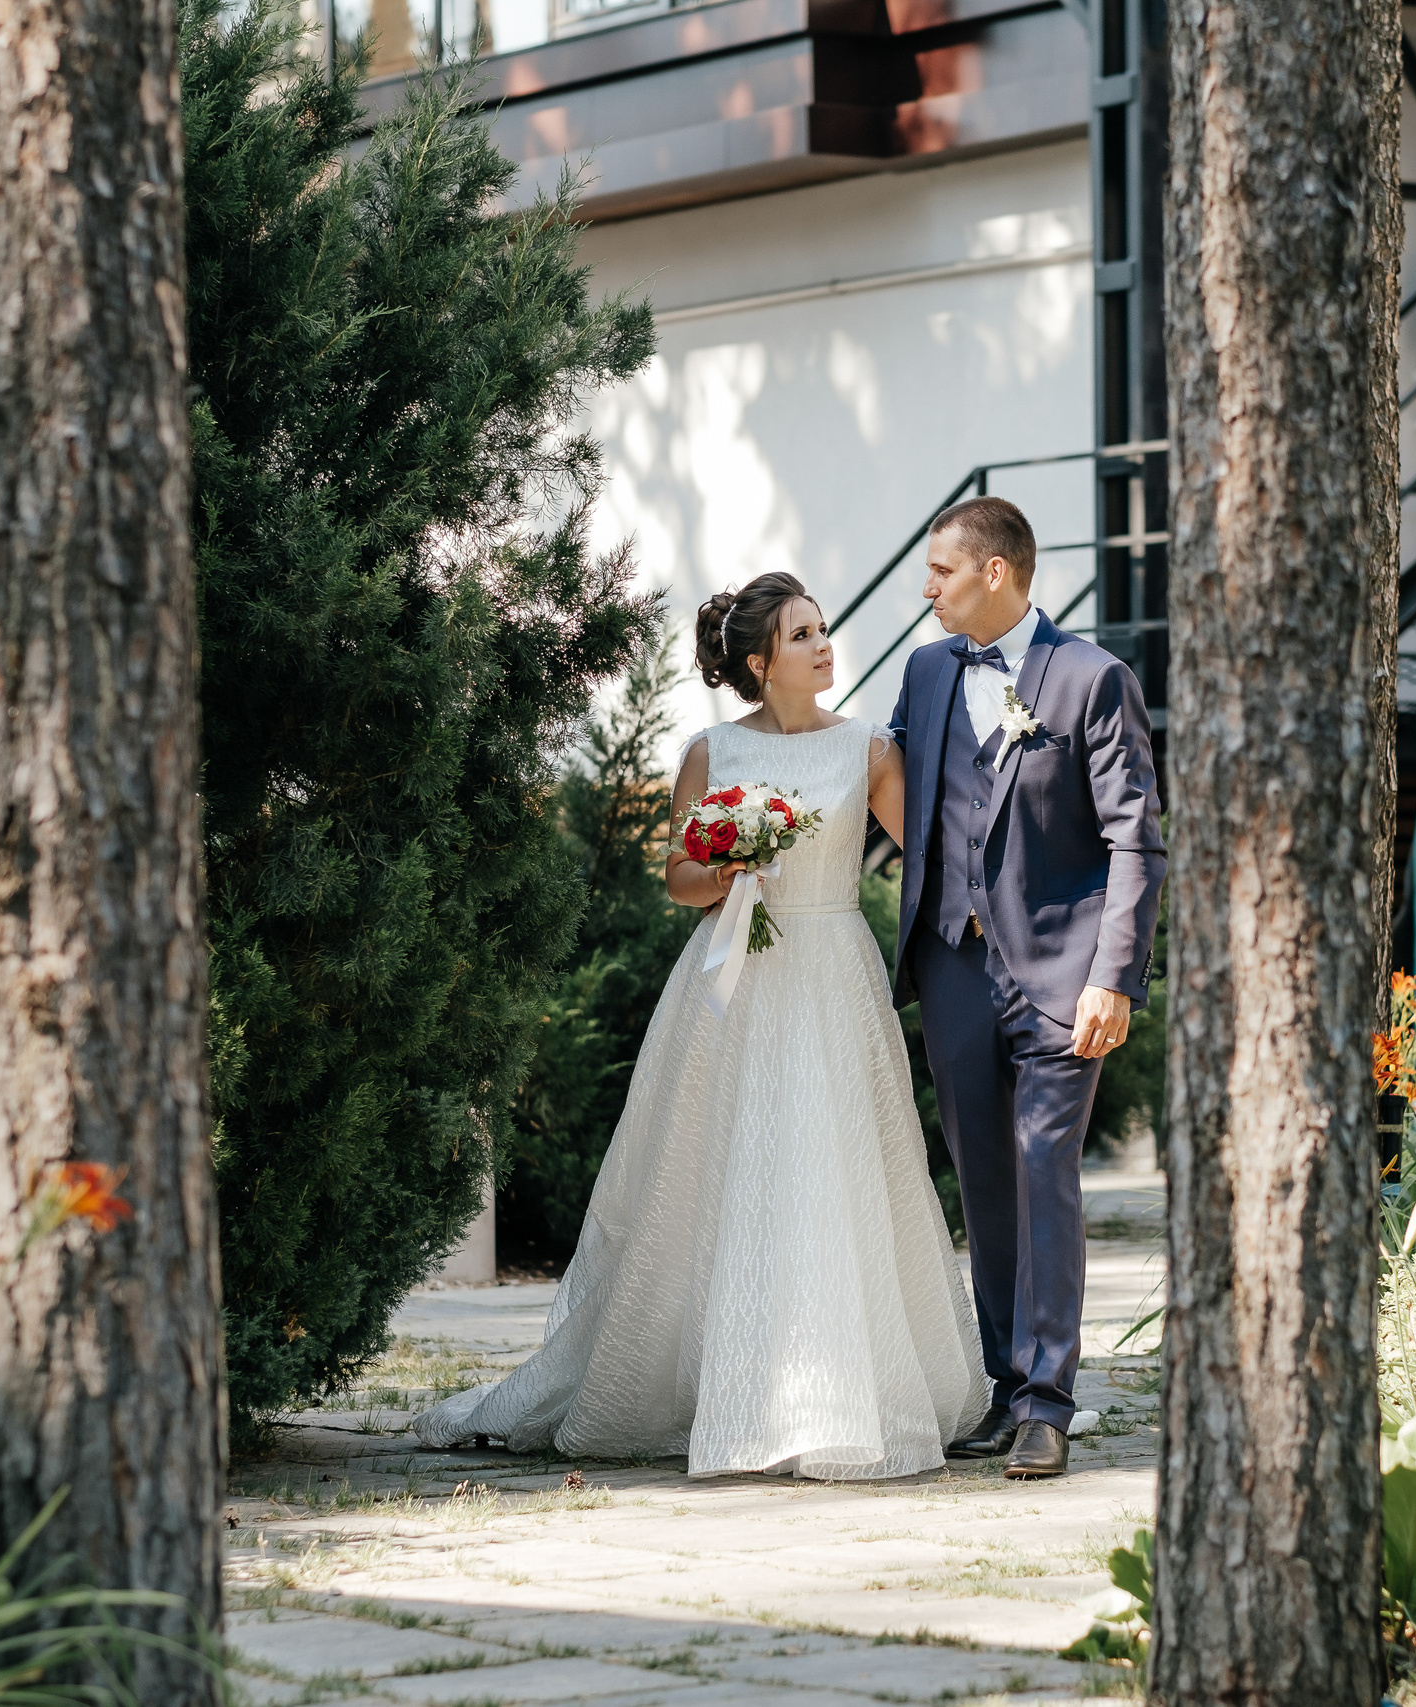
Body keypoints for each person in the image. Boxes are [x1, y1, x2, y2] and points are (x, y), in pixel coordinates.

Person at [414, 572, 986, 1478]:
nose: (825, 645)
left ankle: (844, 1390)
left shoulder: (870, 751)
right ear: (761, 663)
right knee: (720, 1172)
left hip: (833, 972)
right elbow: (678, 877)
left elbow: (935, 854)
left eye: (824, 629)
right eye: (803, 635)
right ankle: (733, 1384)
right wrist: (728, 864)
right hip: (734, 976)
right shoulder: (709, 752)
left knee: (833, 1167)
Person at [889, 496, 1165, 1480]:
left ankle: (1048, 1402)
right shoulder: (924, 675)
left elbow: (1135, 836)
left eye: (939, 571)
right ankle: (1006, 1390)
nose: (925, 588)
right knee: (985, 1183)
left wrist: (1114, 976)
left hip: (1060, 969)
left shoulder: (1091, 678)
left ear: (995, 572)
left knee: (1044, 1166)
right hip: (950, 962)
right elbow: (889, 785)